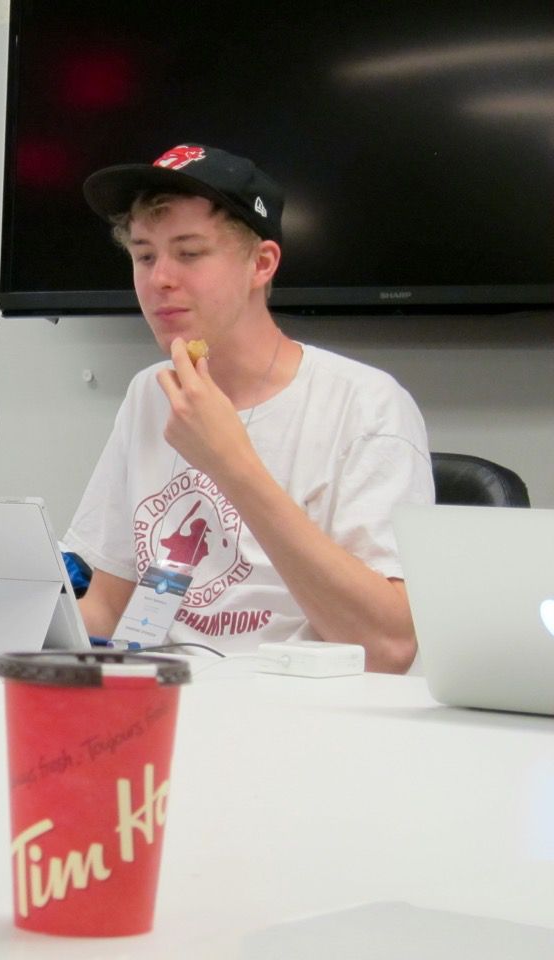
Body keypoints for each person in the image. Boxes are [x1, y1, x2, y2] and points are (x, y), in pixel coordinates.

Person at [66, 144, 434, 673]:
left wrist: (230, 462)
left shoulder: (367, 405)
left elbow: (389, 648)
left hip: (300, 717)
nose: (159, 278)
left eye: (189, 253)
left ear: (261, 264)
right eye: (145, 256)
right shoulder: (151, 391)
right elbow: (107, 609)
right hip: (158, 704)